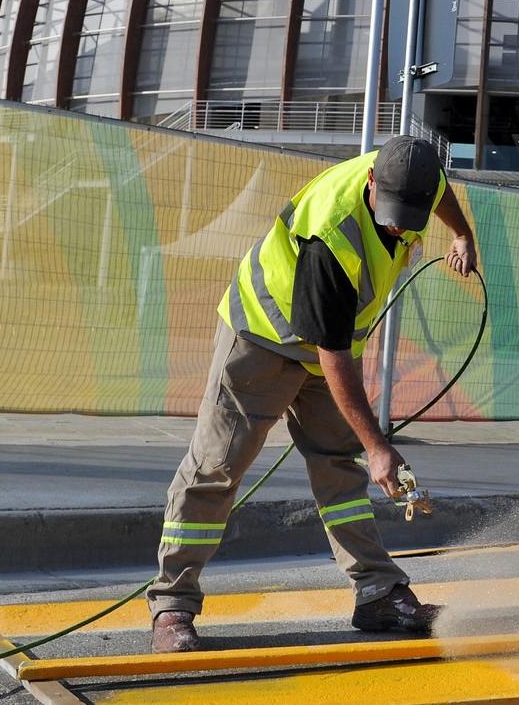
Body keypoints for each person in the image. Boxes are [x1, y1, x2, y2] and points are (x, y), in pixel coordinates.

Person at [148, 135, 478, 653]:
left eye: (410, 217)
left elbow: (438, 193)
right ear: (372, 183)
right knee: (216, 466)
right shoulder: (332, 235)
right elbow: (334, 356)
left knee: (338, 468)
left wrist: (460, 234)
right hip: (263, 338)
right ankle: (172, 603)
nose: (399, 226)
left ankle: (377, 594)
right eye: (392, 214)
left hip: (328, 344)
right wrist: (379, 447)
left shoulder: (410, 170)